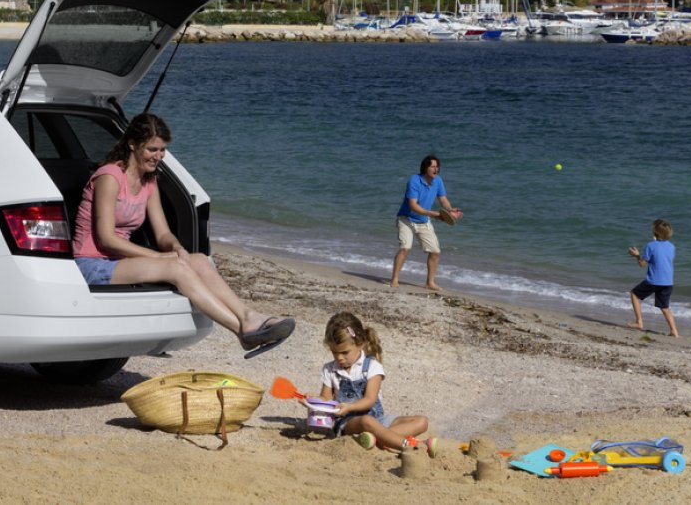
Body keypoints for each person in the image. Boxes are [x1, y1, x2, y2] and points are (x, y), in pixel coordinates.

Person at [72, 113, 294, 353]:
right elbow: (106, 239)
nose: (158, 156)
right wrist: (159, 257)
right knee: (176, 268)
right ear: (133, 144)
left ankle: (247, 316)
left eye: (162, 150)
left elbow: (163, 234)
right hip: (92, 263)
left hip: (120, 261)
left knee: (198, 260)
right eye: (152, 149)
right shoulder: (110, 177)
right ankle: (241, 330)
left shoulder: (148, 182)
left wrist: (176, 248)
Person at [312, 311, 439, 455]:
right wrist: (311, 400)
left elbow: (370, 400)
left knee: (422, 421)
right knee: (366, 421)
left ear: (360, 344)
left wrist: (350, 406)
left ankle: (377, 438)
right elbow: (326, 399)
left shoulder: (372, 367)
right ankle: (411, 445)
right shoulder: (330, 369)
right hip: (348, 422)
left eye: (345, 352)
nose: (339, 358)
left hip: (378, 419)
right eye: (334, 352)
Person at [390, 154, 462, 291]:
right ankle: (394, 279)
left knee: (435, 251)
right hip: (406, 219)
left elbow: (443, 199)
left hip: (423, 221)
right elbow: (413, 206)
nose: (436, 169)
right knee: (405, 248)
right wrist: (434, 214)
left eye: (437, 167)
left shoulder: (438, 181)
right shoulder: (414, 181)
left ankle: (430, 283)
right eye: (433, 167)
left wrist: (451, 210)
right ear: (425, 168)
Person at [627, 218, 679, 337]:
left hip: (654, 281)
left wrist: (636, 255)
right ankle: (674, 331)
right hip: (668, 282)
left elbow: (642, 264)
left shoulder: (650, 245)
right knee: (664, 307)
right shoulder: (672, 246)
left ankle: (639, 322)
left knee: (634, 294)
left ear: (655, 232)